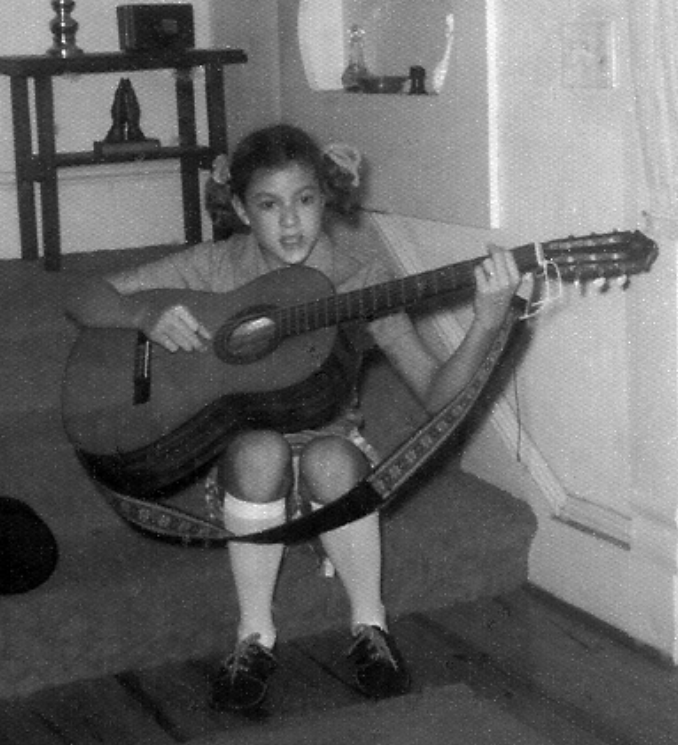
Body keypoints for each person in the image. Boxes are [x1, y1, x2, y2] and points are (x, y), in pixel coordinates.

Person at [64, 124, 520, 713]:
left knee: (331, 458)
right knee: (260, 449)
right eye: (268, 205)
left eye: (304, 200)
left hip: (337, 458)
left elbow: (436, 394)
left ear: (325, 198)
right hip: (243, 467)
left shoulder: (359, 279)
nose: (289, 223)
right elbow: (83, 295)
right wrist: (141, 316)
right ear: (239, 209)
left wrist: (485, 322)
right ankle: (254, 636)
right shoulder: (217, 266)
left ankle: (370, 626)